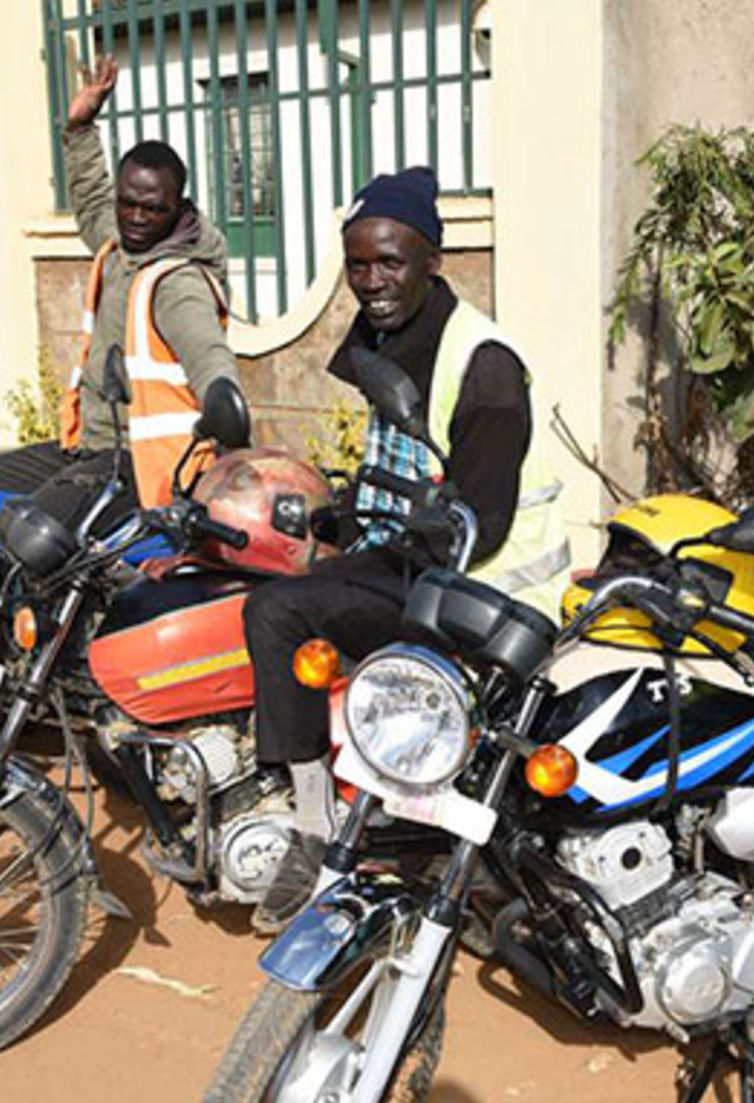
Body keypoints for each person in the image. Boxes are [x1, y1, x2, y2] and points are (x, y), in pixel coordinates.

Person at [243, 165, 570, 928]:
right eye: (358, 264)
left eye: (390, 261)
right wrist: (351, 514)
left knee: (281, 612)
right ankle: (306, 799)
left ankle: (318, 831)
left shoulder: (483, 363)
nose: (371, 280)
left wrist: (403, 521)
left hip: (490, 590)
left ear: (432, 260)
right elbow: (400, 457)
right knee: (269, 591)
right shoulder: (391, 333)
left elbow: (478, 519)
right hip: (419, 559)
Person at [0, 54, 240, 534]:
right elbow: (91, 202)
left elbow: (210, 357)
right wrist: (80, 128)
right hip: (88, 447)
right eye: (127, 203)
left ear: (177, 209)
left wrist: (226, 404)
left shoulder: (176, 282)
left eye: (151, 208)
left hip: (138, 464)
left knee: (29, 537)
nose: (134, 217)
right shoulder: (123, 244)